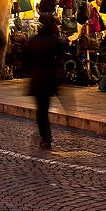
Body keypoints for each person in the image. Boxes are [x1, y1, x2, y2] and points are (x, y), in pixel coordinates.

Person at [24, 13, 66, 150]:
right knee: (45, 108)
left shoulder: (33, 41)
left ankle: (45, 136)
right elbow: (62, 56)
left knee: (41, 110)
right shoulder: (55, 40)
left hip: (37, 79)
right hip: (50, 78)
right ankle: (46, 136)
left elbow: (26, 62)